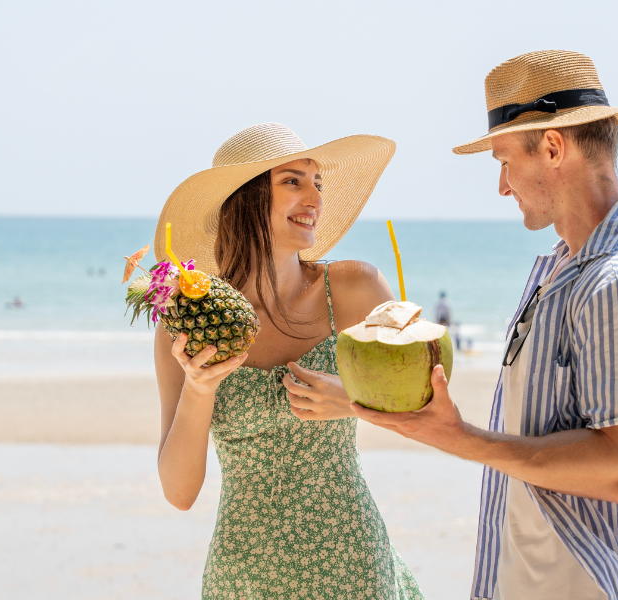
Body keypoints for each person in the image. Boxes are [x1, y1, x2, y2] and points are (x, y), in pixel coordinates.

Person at [352, 51, 618, 599]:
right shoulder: (558, 269)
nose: (502, 186)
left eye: (504, 160)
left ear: (552, 147)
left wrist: (458, 438)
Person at [153, 123, 422, 599]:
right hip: (245, 575)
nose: (315, 198)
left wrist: (355, 400)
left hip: (352, 564)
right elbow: (179, 493)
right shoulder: (185, 323)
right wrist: (199, 389)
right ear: (246, 198)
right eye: (293, 181)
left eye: (317, 182)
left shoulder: (355, 286)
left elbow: (429, 399)